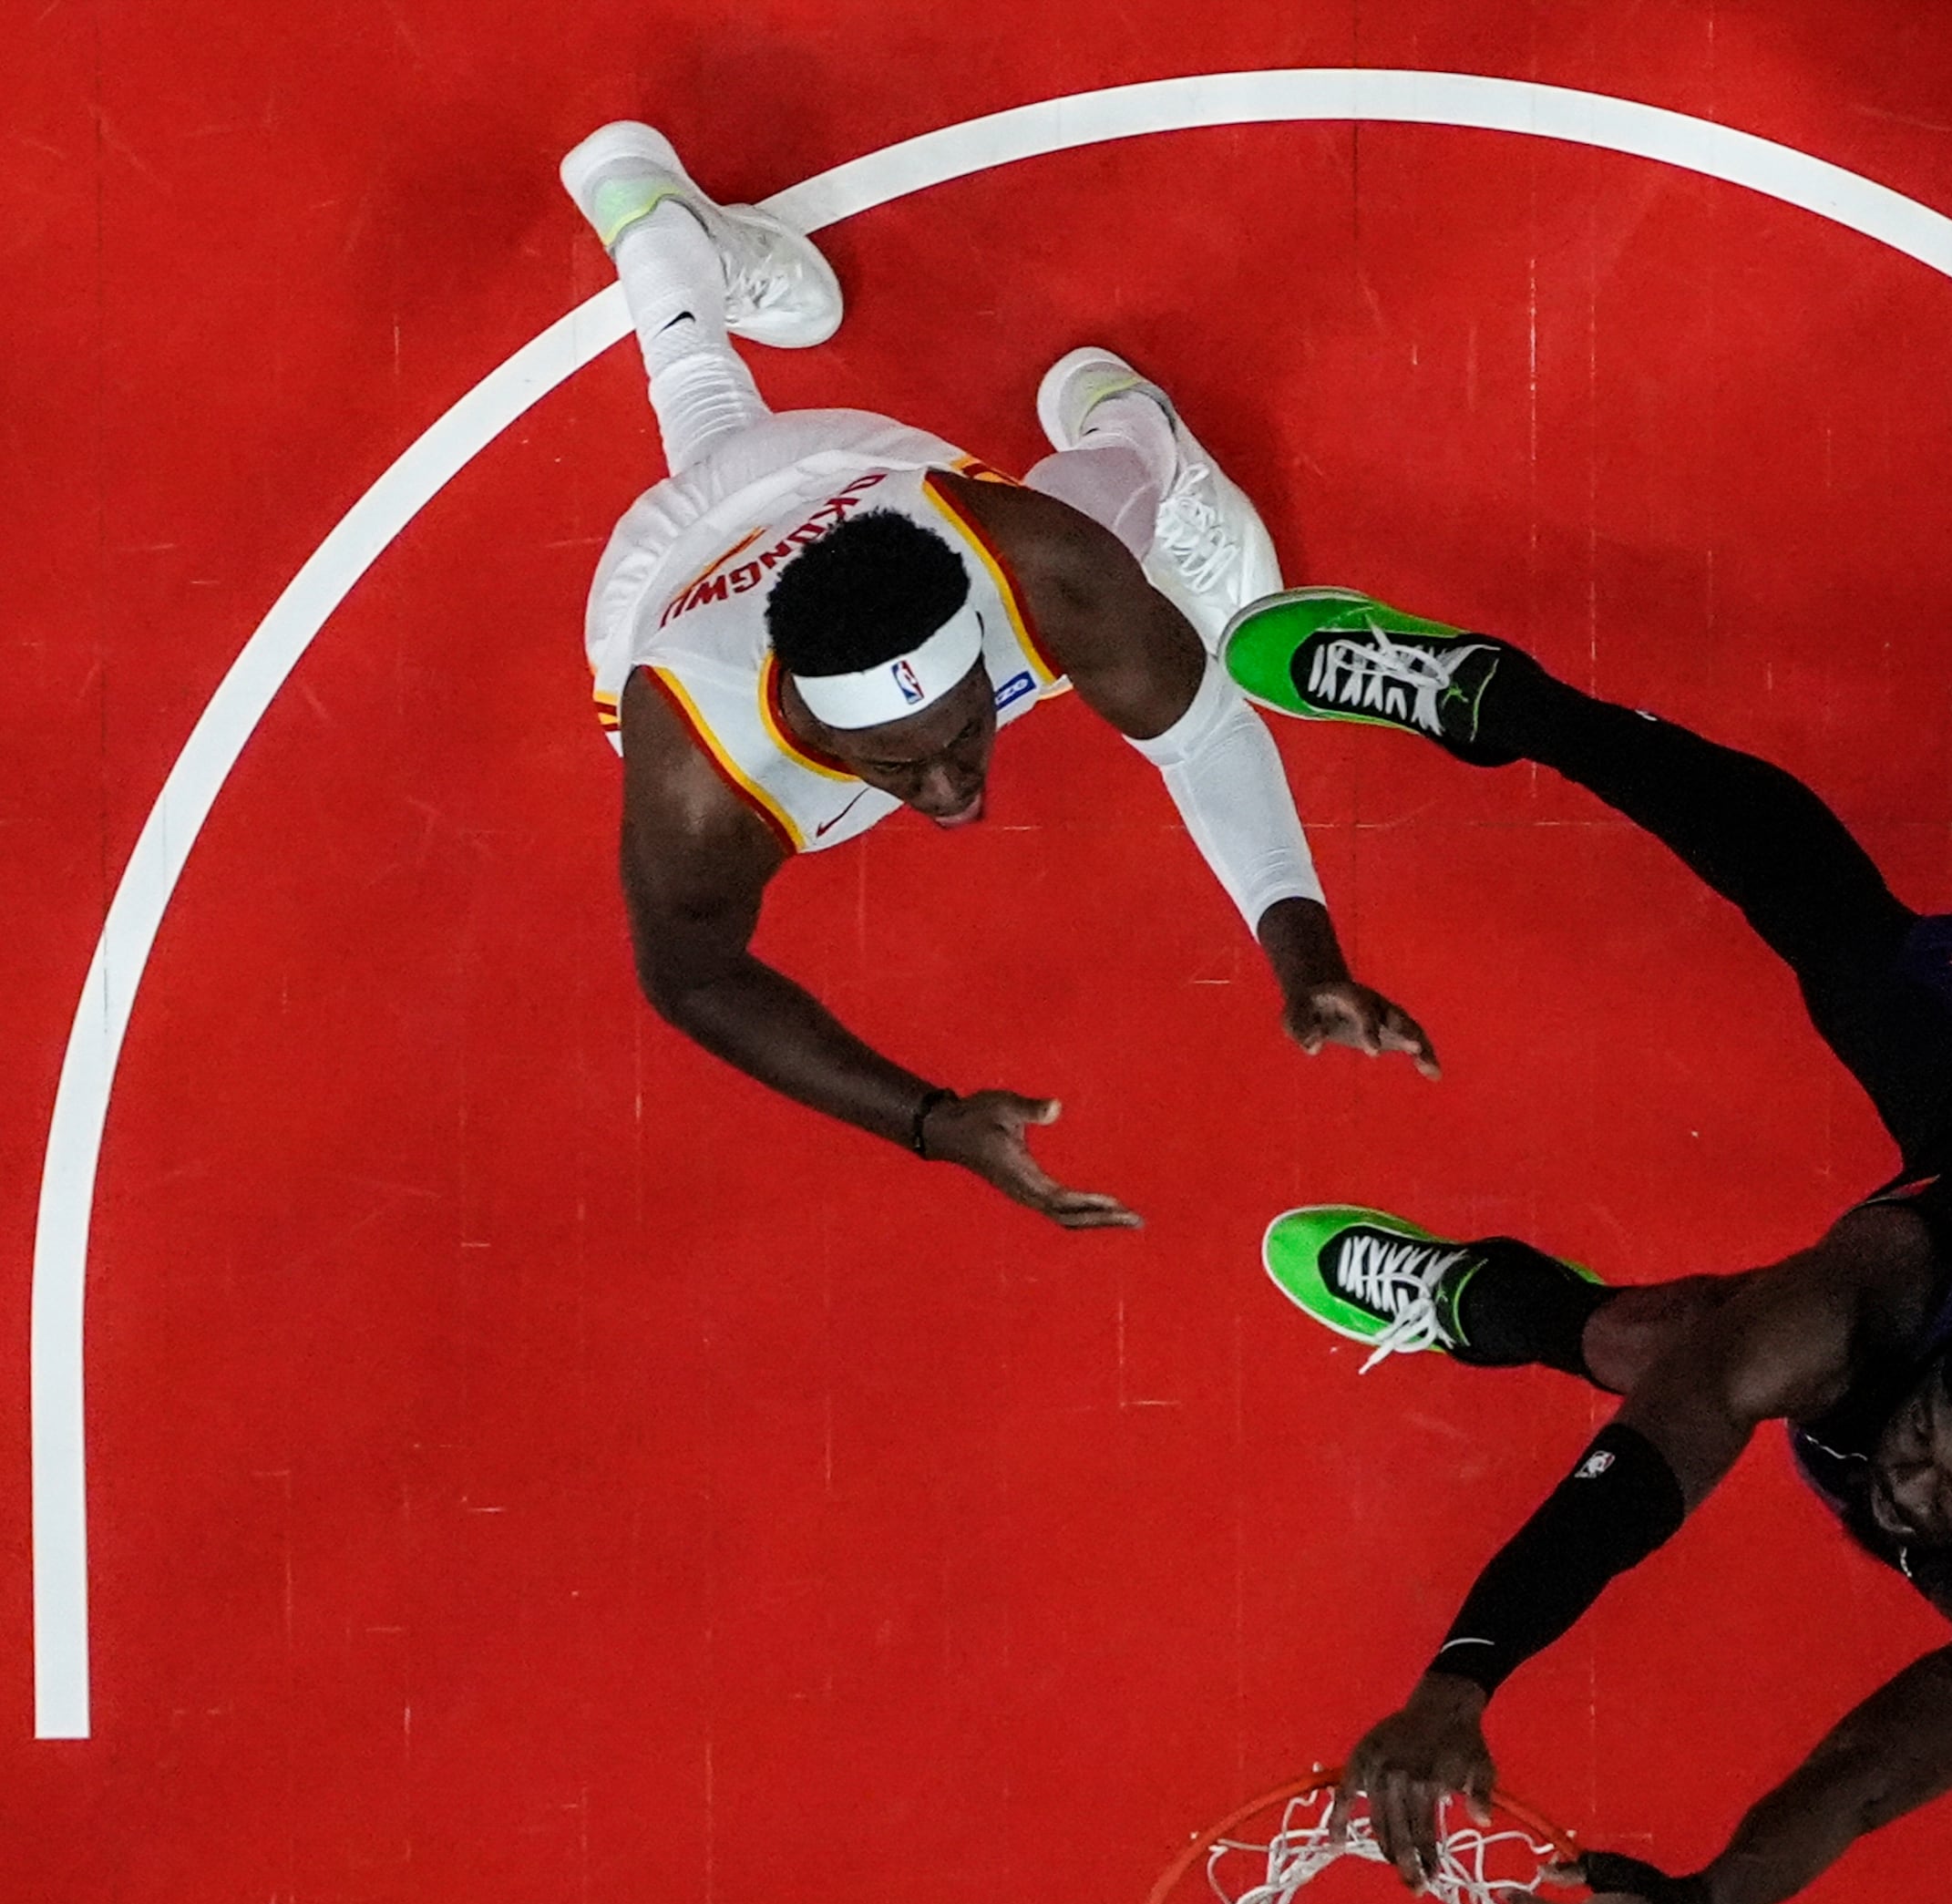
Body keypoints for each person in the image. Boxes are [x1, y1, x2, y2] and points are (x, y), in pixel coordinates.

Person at [1223, 591, 1952, 1904]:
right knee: (1816, 953)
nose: (1910, 1491)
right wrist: (1466, 1672)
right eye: (1924, 1439)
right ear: (1928, 1368)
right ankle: (1500, 700)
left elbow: (1869, 1776)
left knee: (1686, 1343)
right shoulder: (1886, 1284)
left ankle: (1501, 1302)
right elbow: (1664, 1447)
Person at [558, 121, 1433, 1228]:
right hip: (663, 575)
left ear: (977, 660)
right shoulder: (698, 774)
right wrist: (926, 1121)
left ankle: (1139, 428)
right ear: (817, 729)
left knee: (1093, 535)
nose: (949, 788)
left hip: (851, 478)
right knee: (713, 436)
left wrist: (1305, 955)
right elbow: (691, 976)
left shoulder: (1026, 567)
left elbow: (1204, 731)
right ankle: (667, 244)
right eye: (895, 765)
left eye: (965, 731)